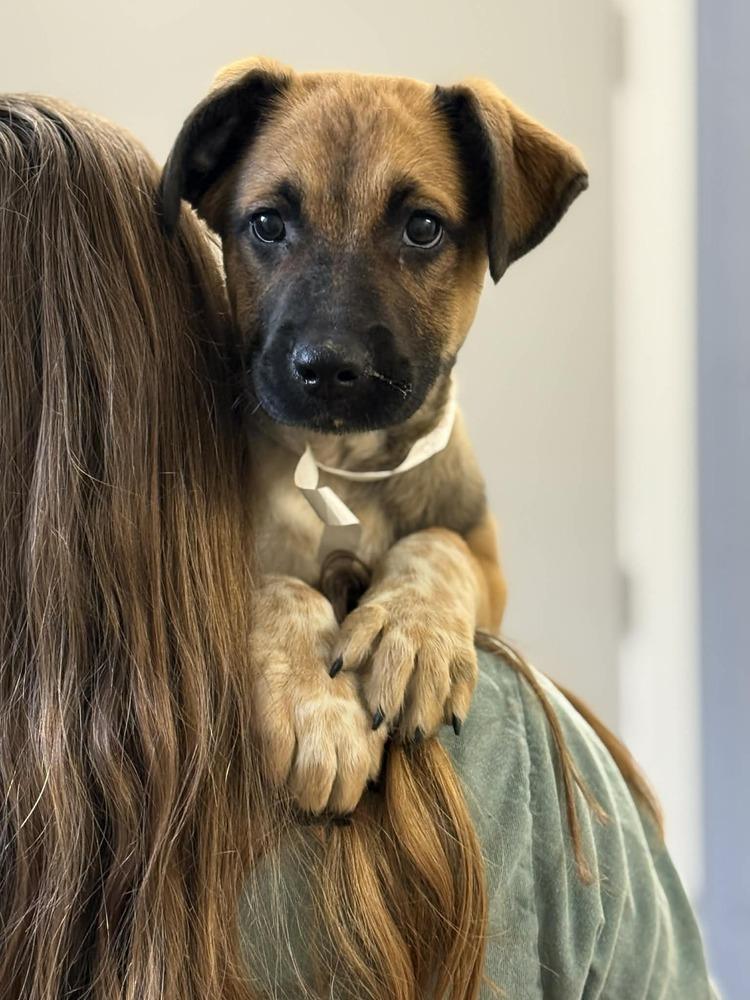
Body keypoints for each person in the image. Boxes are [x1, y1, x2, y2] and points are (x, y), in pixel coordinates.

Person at [0, 95, 717, 1000]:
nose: (331, 339)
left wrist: (434, 576)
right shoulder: (522, 757)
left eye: (419, 229)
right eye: (270, 229)